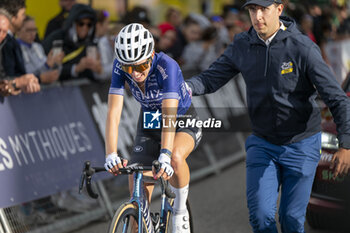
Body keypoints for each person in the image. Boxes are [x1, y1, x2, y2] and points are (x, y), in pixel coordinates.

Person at [185, 0, 350, 232]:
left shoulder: (302, 47)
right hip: (263, 143)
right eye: (253, 10)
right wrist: (184, 88)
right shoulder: (243, 44)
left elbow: (337, 97)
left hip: (302, 144)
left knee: (292, 220)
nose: (258, 16)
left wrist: (346, 144)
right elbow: (211, 77)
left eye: (264, 9)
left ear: (279, 9)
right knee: (261, 219)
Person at [104, 23, 201, 233]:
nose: (135, 73)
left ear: (151, 55)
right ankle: (141, 221)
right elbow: (113, 113)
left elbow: (169, 115)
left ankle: (180, 210)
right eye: (129, 68)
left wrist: (164, 154)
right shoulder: (120, 66)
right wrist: (110, 154)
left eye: (140, 66)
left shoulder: (167, 66)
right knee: (137, 183)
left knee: (174, 157)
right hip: (150, 120)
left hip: (181, 118)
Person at [42, 4, 102, 81]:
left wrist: (98, 70)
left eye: (89, 25)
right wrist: (76, 68)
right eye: (81, 23)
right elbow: (50, 70)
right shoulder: (57, 40)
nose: (85, 27)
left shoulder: (91, 44)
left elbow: (92, 77)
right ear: (73, 24)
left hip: (81, 91)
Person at [0, 0, 40, 95]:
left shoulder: (5, 43)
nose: (1, 35)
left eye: (4, 32)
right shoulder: (8, 45)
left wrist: (18, 85)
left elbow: (3, 80)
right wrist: (18, 82)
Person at [16, 16, 64, 84]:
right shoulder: (15, 48)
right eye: (28, 30)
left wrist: (56, 64)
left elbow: (49, 72)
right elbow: (26, 74)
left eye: (35, 30)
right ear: (18, 31)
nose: (32, 33)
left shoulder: (38, 46)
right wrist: (47, 65)